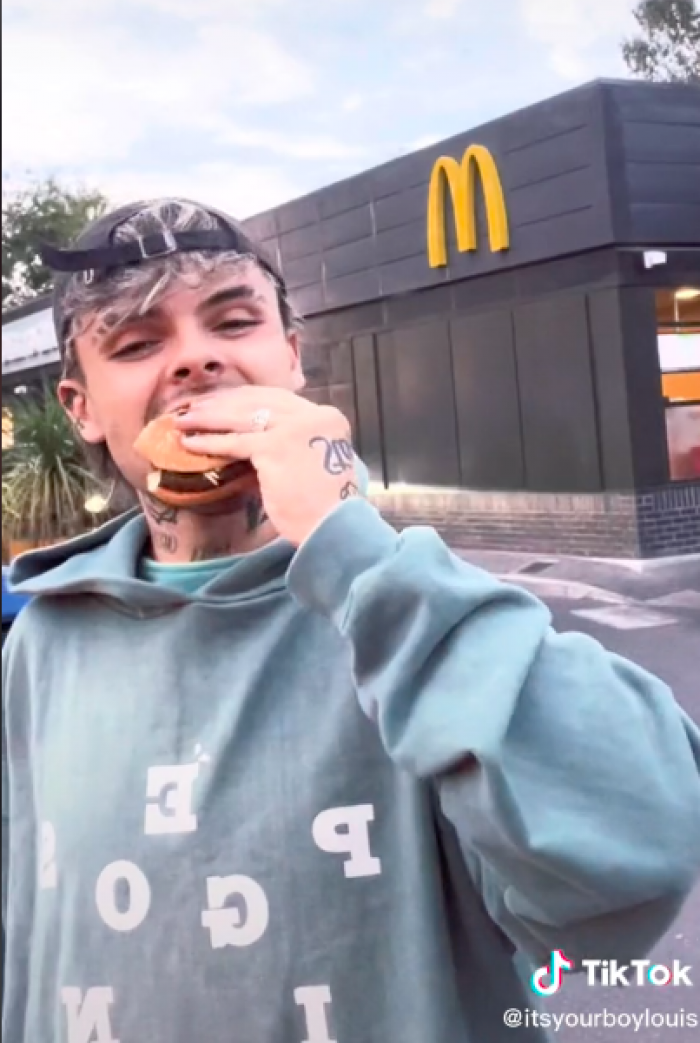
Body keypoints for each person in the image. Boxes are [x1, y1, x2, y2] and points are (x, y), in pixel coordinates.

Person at [2, 198, 699, 1043]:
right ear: (79, 407)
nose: (196, 359)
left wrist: (351, 546)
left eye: (233, 320)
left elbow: (639, 851)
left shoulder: (416, 613)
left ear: (291, 360)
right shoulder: (42, 642)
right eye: (139, 343)